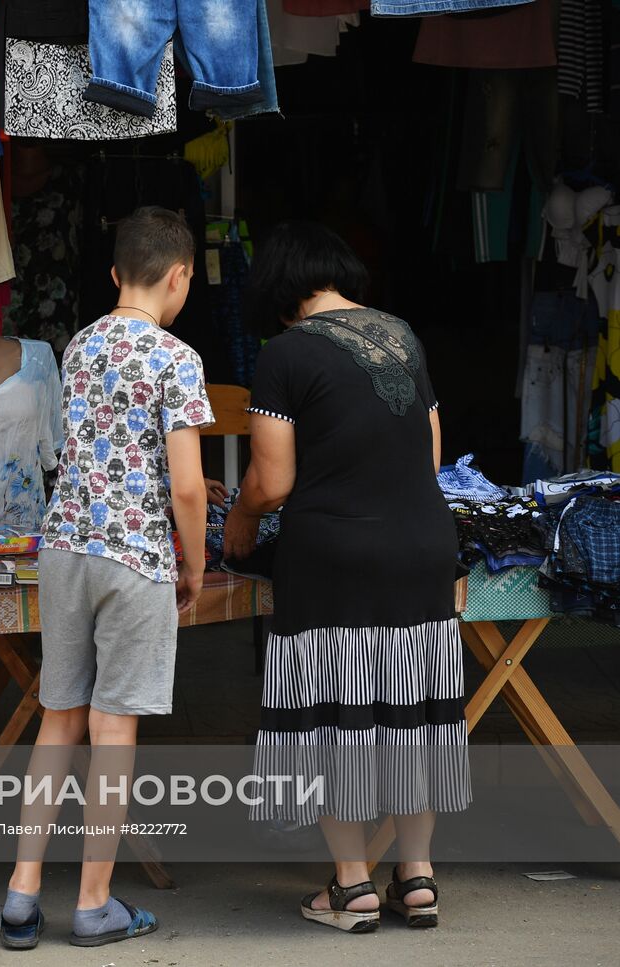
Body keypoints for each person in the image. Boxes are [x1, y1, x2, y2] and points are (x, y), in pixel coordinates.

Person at [224, 220, 466, 933]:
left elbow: (271, 481)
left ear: (277, 287)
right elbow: (429, 454)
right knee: (411, 706)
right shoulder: (402, 334)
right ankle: (416, 876)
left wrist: (240, 519)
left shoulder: (284, 355)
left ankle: (353, 887)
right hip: (422, 543)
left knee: (333, 711)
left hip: (333, 554)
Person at [0, 207, 212, 950]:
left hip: (64, 548)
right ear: (180, 275)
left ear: (116, 272)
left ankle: (21, 894)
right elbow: (187, 486)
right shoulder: (177, 357)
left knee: (59, 714)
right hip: (134, 553)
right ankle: (93, 901)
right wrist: (197, 559)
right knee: (113, 726)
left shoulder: (80, 344)